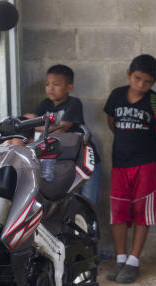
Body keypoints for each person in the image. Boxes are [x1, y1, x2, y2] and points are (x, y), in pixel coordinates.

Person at [103, 54, 156, 284]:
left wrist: (148, 145)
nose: (141, 85)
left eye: (147, 82)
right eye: (137, 78)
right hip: (120, 163)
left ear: (153, 83)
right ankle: (120, 257)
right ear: (129, 75)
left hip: (146, 163)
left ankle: (133, 261)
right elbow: (111, 122)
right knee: (118, 212)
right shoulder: (116, 96)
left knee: (143, 211)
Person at [21, 64, 101, 209]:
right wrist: (32, 123)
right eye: (47, 84)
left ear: (69, 88)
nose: (50, 88)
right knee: (66, 203)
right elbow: (37, 128)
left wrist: (32, 123)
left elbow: (61, 129)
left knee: (87, 202)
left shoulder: (73, 103)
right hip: (63, 162)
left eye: (56, 84)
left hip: (85, 159)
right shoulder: (45, 105)